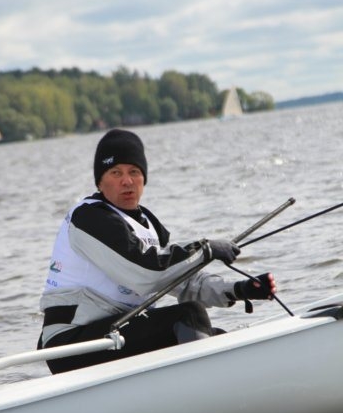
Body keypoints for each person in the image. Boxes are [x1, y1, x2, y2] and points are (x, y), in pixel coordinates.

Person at [38, 128, 276, 374]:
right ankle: (210, 385)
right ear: (100, 181)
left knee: (216, 335)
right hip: (70, 345)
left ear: (144, 179)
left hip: (113, 333)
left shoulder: (148, 224)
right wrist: (205, 249)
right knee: (189, 315)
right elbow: (145, 274)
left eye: (134, 172)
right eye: (115, 172)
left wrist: (239, 289)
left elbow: (182, 280)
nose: (127, 181)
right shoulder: (89, 217)